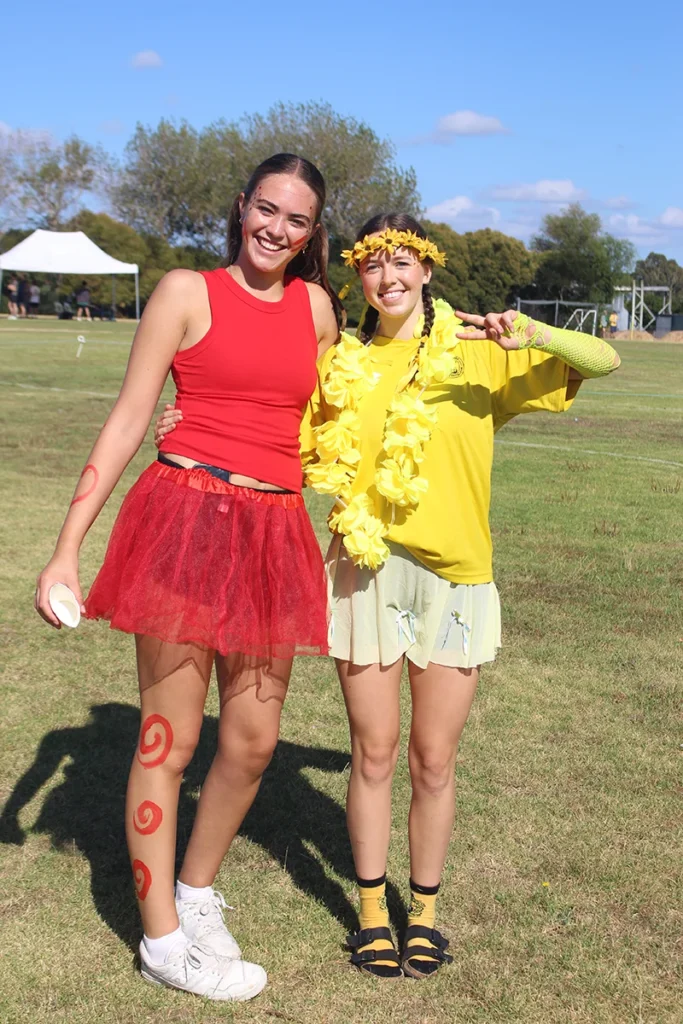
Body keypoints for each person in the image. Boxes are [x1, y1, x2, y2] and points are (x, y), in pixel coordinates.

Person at [154, 214, 620, 981]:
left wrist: (528, 331)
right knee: (372, 752)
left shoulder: (476, 351)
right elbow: (275, 435)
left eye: (403, 262)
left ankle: (424, 914)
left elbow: (601, 358)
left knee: (433, 759)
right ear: (358, 277)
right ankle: (372, 911)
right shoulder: (340, 365)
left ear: (427, 270)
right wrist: (185, 425)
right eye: (373, 265)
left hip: (456, 579)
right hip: (363, 577)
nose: (388, 277)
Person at [34, 153, 341, 1001]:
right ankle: (163, 942)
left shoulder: (318, 310)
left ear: (312, 233)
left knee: (252, 742)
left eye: (296, 220)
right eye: (266, 210)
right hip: (186, 520)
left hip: (274, 531)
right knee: (166, 743)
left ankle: (195, 892)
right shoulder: (184, 292)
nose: (276, 229)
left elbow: (339, 416)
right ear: (241, 207)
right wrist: (66, 549)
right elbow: (129, 416)